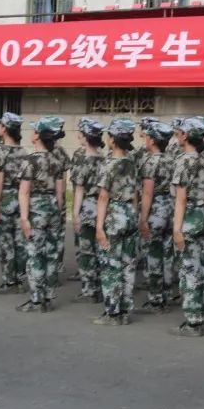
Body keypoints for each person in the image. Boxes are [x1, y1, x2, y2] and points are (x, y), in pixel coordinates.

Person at [93, 119, 140, 325]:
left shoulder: (109, 164)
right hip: (130, 213)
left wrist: (99, 227)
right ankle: (125, 310)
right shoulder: (131, 163)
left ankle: (112, 313)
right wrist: (135, 215)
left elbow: (103, 197)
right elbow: (136, 193)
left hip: (114, 214)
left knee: (111, 265)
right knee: (128, 265)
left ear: (112, 140)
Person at [16, 117, 66, 313]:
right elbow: (60, 191)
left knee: (35, 254)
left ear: (38, 136)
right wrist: (58, 212)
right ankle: (48, 296)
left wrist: (24, 218)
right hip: (53, 207)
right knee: (51, 254)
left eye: (34, 130)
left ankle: (37, 300)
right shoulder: (56, 160)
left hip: (36, 209)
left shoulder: (30, 161)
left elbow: (24, 192)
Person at [171, 117, 204, 336]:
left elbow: (181, 198)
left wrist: (177, 229)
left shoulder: (183, 161)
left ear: (186, 136)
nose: (177, 136)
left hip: (189, 216)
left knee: (189, 269)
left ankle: (193, 321)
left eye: (179, 132)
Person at [138, 120, 175, 313]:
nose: (145, 139)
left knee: (153, 254)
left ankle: (155, 299)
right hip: (171, 207)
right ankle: (167, 294)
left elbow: (147, 192)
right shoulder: (171, 160)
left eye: (147, 137)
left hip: (156, 209)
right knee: (168, 254)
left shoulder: (151, 162)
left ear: (152, 141)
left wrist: (143, 218)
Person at [70, 118, 107, 304]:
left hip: (87, 207)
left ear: (86, 137)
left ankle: (89, 289)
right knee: (101, 249)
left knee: (86, 250)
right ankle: (101, 287)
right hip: (103, 208)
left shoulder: (82, 162)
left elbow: (79, 190)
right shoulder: (105, 160)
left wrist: (75, 214)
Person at [0, 112, 27, 294]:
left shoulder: (0, 152)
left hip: (6, 198)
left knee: (5, 242)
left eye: (0, 125)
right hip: (21, 199)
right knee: (20, 242)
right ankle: (20, 279)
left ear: (5, 129)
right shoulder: (24, 152)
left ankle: (9, 281)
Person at [47, 122, 71, 286]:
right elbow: (64, 176)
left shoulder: (48, 151)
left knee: (50, 234)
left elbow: (61, 178)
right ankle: (58, 263)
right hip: (59, 196)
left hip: (50, 196)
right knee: (59, 233)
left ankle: (50, 268)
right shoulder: (61, 151)